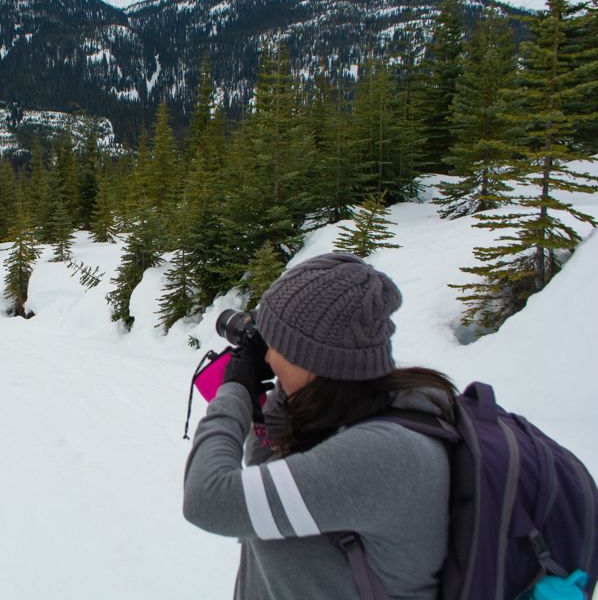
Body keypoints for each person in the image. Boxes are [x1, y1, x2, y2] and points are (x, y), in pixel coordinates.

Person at [183, 252, 457, 600]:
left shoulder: (382, 457)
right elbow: (267, 470)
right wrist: (274, 398)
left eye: (275, 345)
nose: (266, 357)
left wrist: (233, 390)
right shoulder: (348, 413)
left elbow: (207, 500)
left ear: (313, 359)